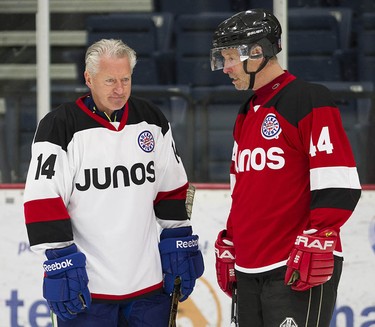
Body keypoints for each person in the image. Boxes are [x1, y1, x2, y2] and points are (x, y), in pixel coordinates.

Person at [23, 38, 204, 327]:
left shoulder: (151, 120)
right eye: (110, 81)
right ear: (89, 78)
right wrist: (59, 258)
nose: (120, 90)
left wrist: (178, 236)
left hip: (149, 287)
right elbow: (42, 199)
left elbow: (172, 187)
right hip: (88, 291)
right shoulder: (59, 126)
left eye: (125, 79)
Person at [211, 9, 361, 327]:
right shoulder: (247, 112)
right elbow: (242, 190)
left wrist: (320, 235)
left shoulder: (308, 99)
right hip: (250, 269)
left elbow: (339, 180)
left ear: (257, 53)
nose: (224, 68)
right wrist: (232, 238)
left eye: (229, 58)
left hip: (294, 267)